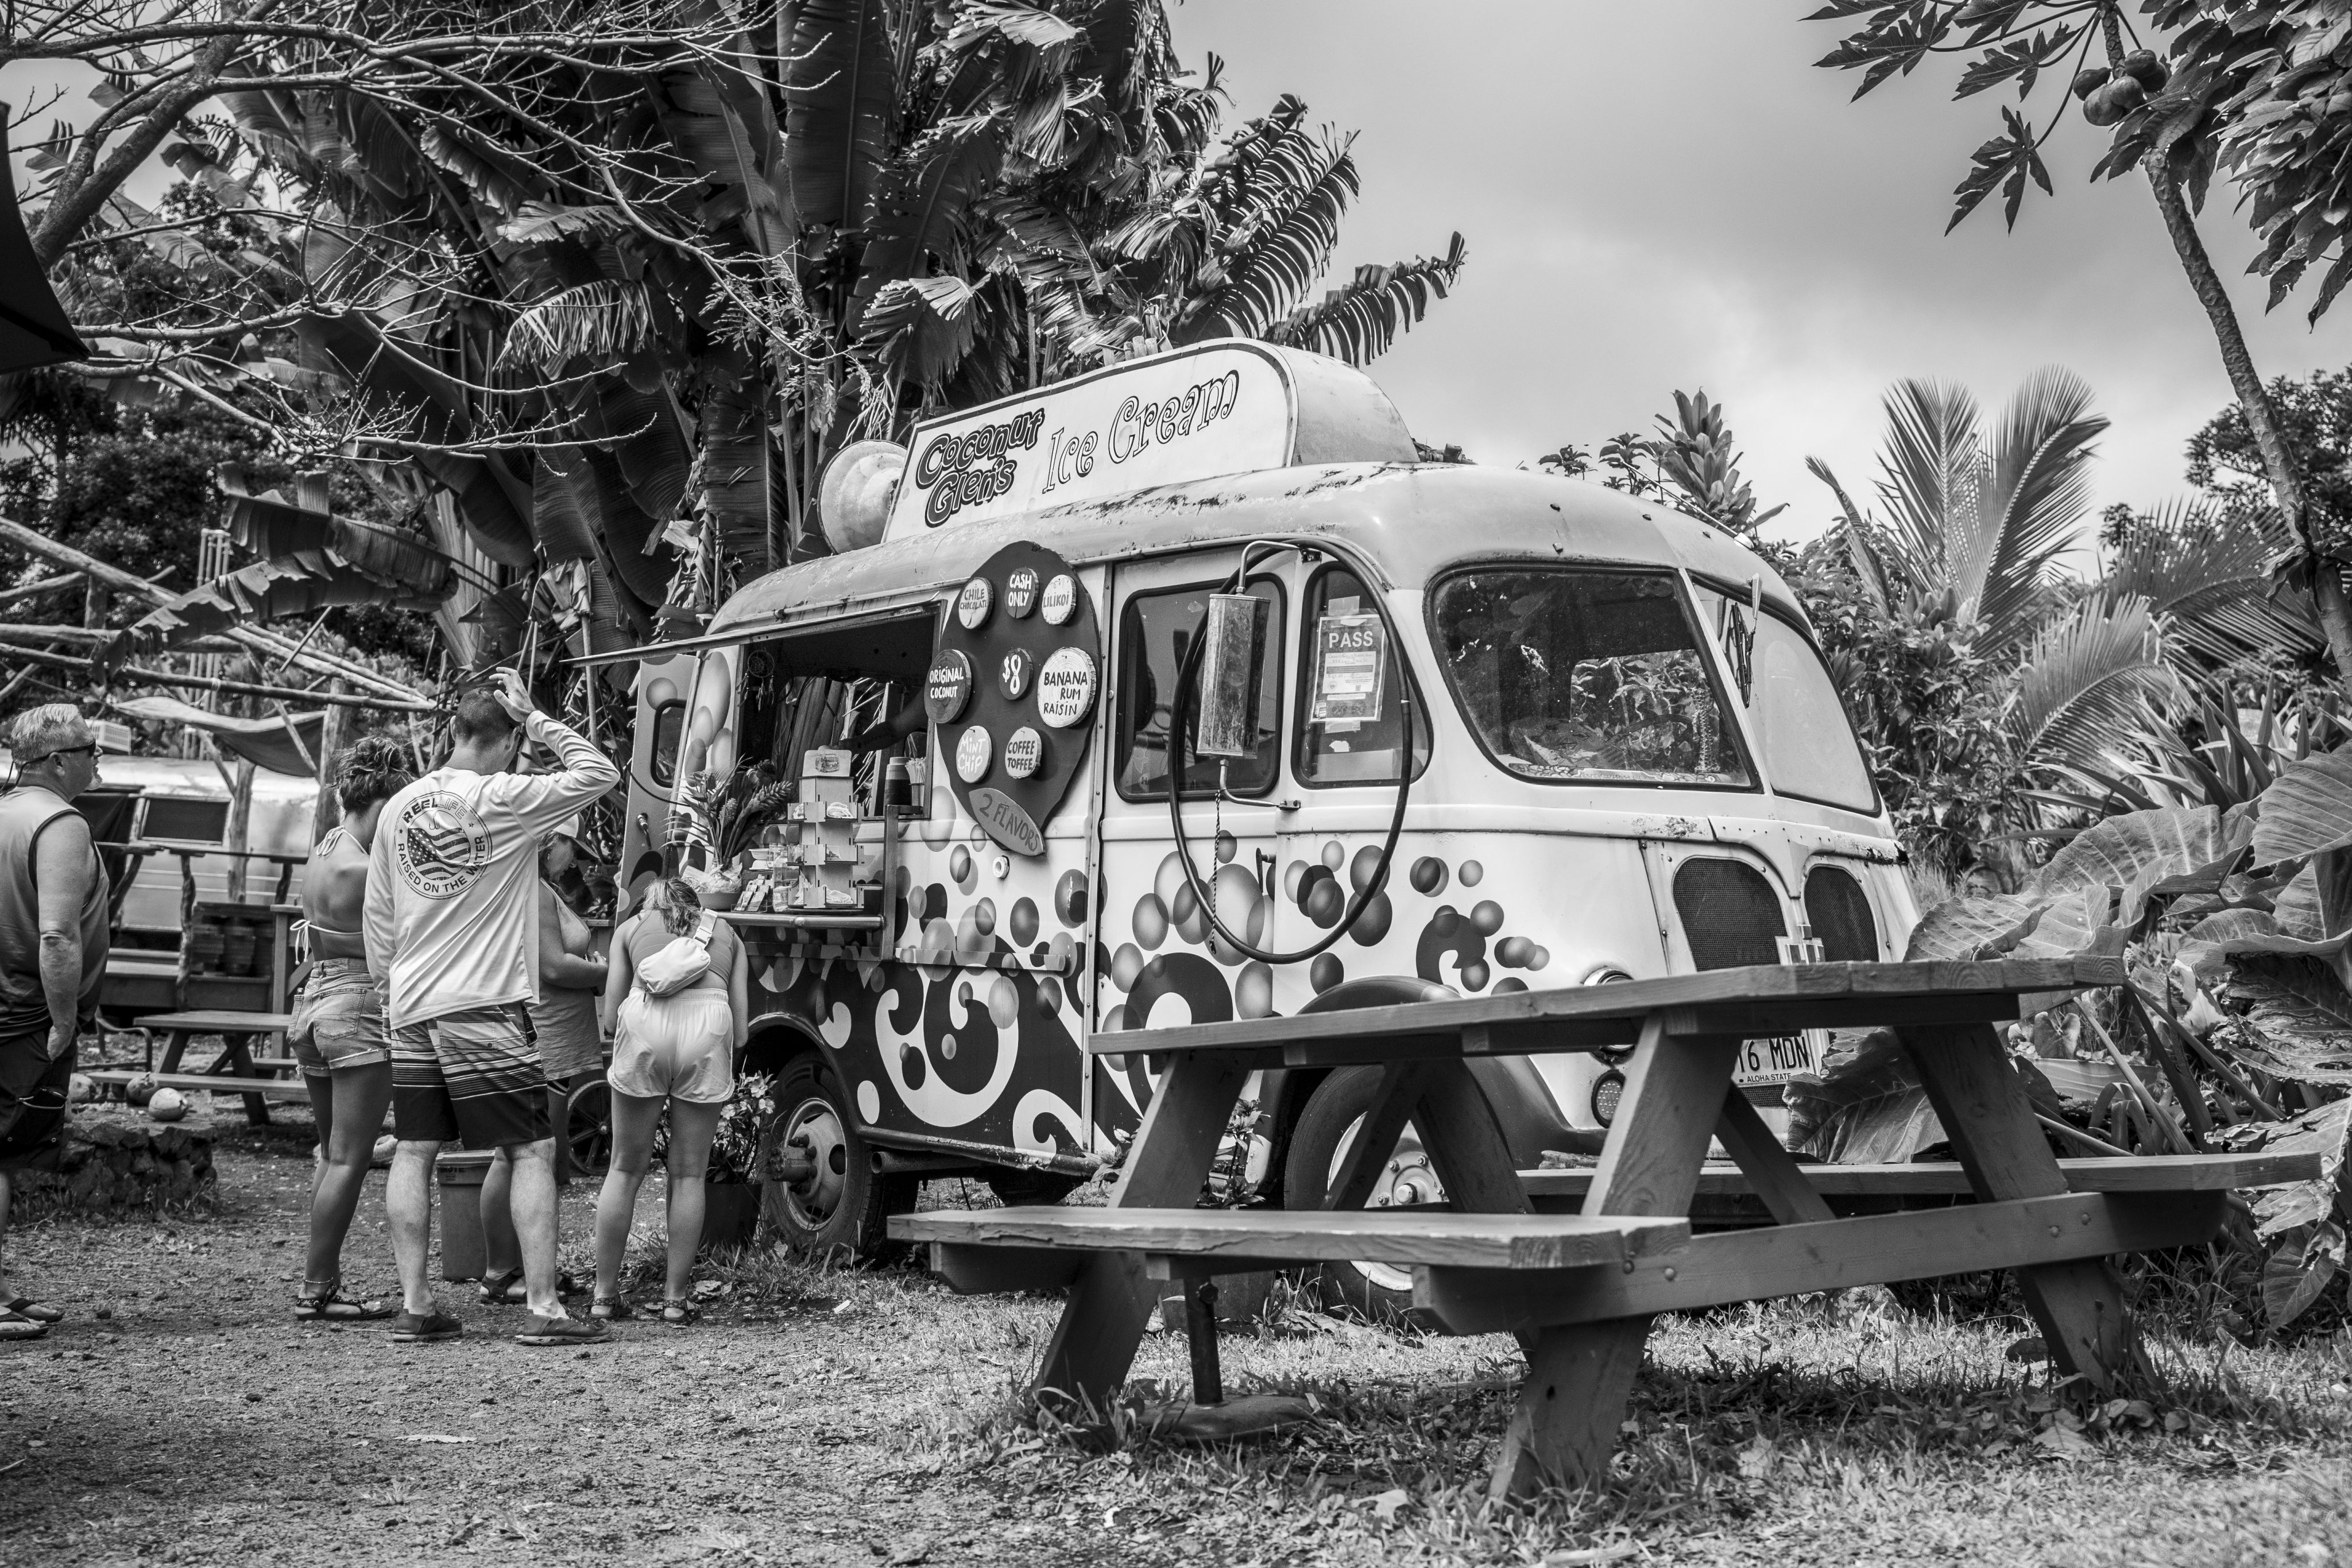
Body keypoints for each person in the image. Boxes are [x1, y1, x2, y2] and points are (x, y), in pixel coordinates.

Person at [363, 671, 619, 1346]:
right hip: (482, 1002)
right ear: (508, 745)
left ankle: (416, 1305)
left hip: (413, 1001)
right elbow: (599, 772)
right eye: (518, 740)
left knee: (415, 1150)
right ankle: (543, 1307)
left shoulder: (398, 808)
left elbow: (379, 917)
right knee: (531, 1147)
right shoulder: (504, 797)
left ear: (452, 731)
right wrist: (539, 718)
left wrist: (392, 994)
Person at [285, 735, 415, 1321]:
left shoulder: (327, 847)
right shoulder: (366, 868)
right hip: (356, 1004)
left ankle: (322, 1278)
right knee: (347, 1158)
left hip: (312, 1003)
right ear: (384, 801)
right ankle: (318, 1287)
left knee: (331, 1154)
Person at [591, 876, 745, 1326]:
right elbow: (743, 1029)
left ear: (650, 904)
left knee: (624, 1167)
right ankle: (676, 1300)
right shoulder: (728, 933)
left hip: (646, 1025)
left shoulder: (629, 929)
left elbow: (609, 1016)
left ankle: (603, 1297)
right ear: (695, 906)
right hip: (708, 1027)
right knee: (690, 1171)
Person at [0, 706, 109, 1342]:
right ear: (60, 760)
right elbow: (57, 935)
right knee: (1, 1155)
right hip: (24, 1010)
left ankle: (5, 1291)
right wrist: (64, 1022)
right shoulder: (59, 821)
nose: (97, 760)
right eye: (92, 749)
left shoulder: (6, 811)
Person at [475, 820, 606, 1307]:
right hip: (541, 1038)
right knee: (518, 1157)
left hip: (551, 1038)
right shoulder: (531, 891)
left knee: (520, 1155)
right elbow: (552, 965)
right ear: (551, 842)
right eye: (572, 848)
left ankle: (518, 1267)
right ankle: (503, 1270)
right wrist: (608, 973)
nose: (574, 861)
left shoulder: (538, 887)